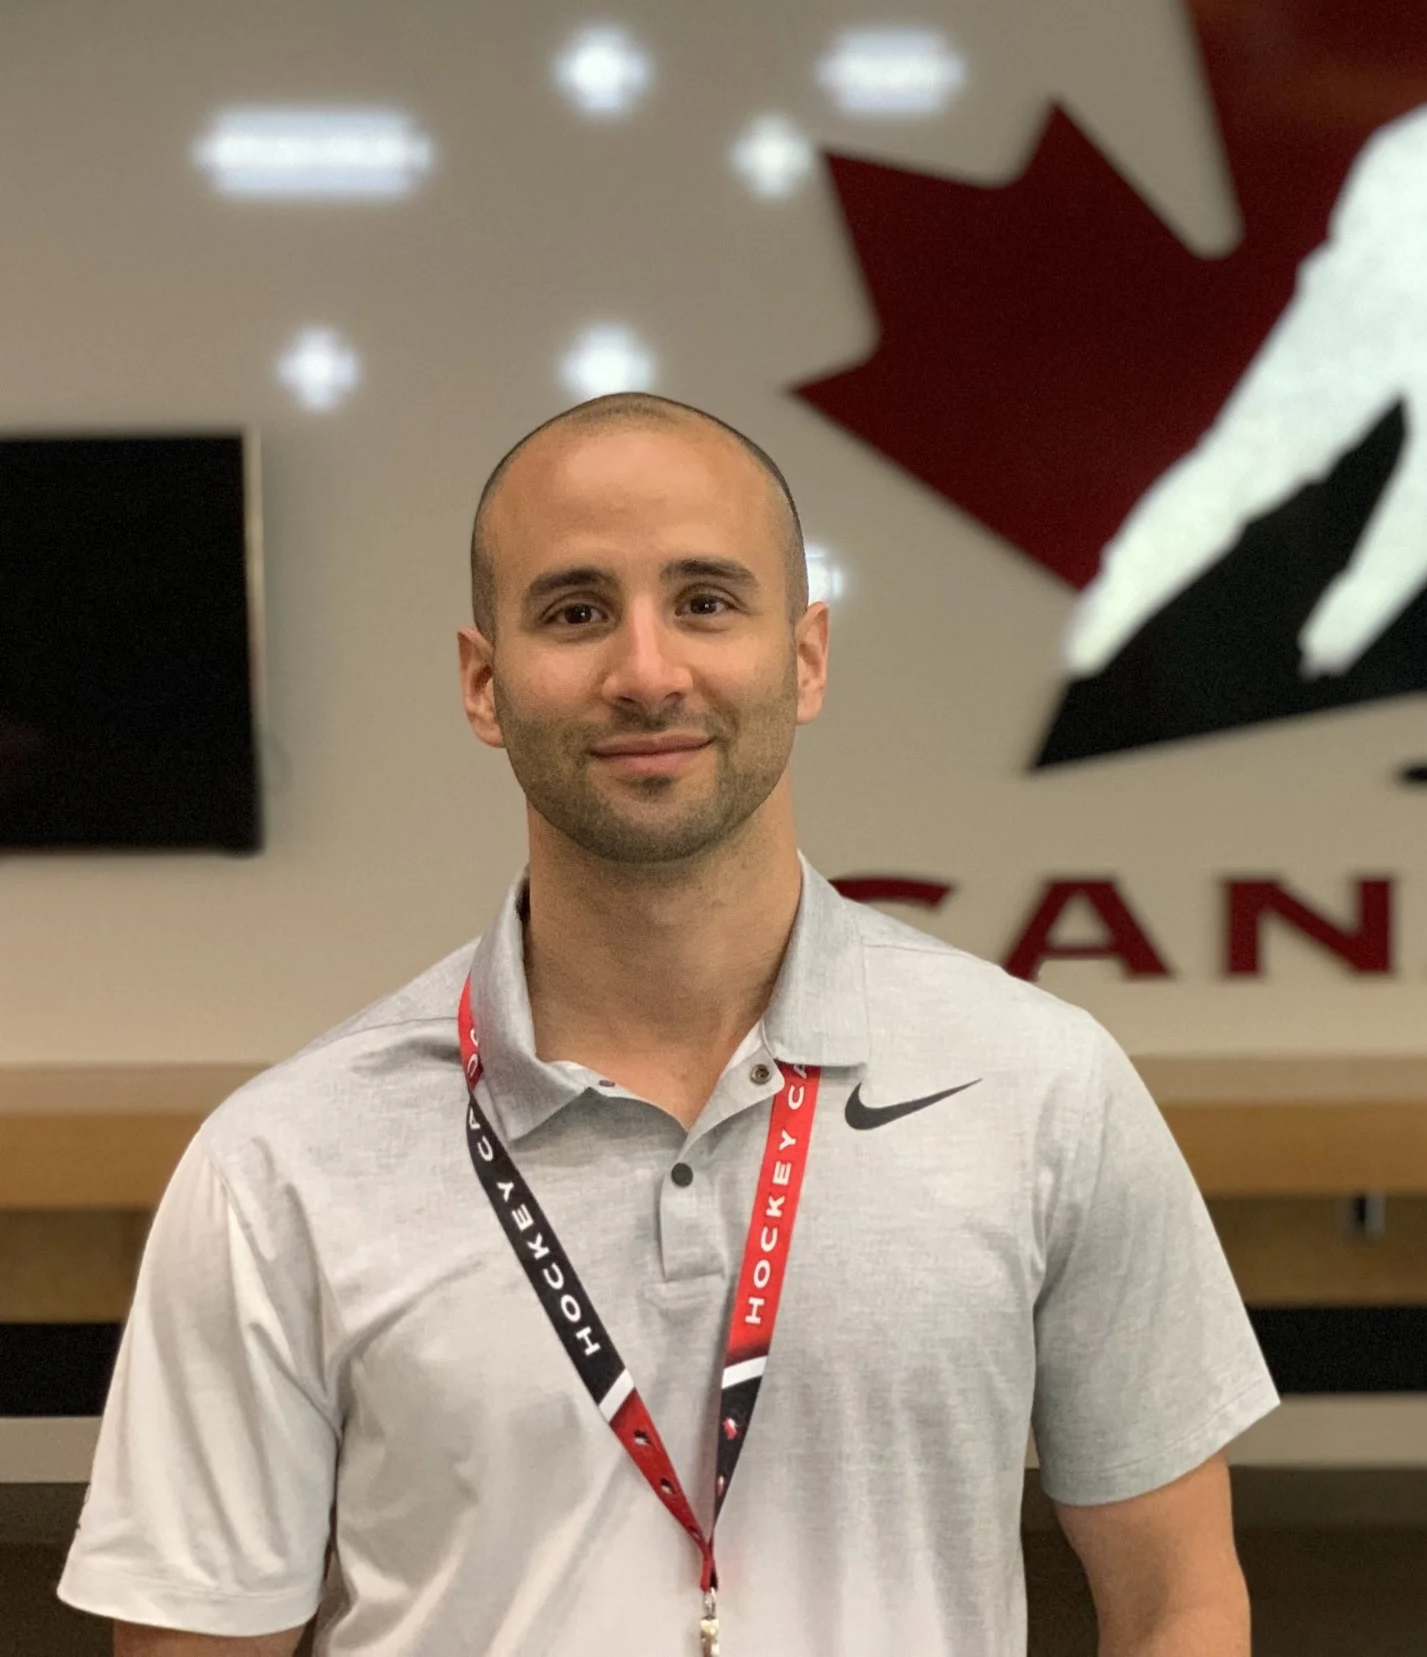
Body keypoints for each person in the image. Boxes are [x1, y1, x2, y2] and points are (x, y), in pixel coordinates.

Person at [59, 394, 1277, 1654]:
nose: (646, 672)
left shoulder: (1037, 1085)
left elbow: (1177, 1599)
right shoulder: (281, 1163)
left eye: (705, 600)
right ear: (485, 684)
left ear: (804, 657)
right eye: (577, 611)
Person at [1061, 5, 1427, 682]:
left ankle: (1335, 649)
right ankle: (1112, 604)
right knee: (1244, 465)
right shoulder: (1417, 152)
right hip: (1360, 323)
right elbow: (1400, 269)